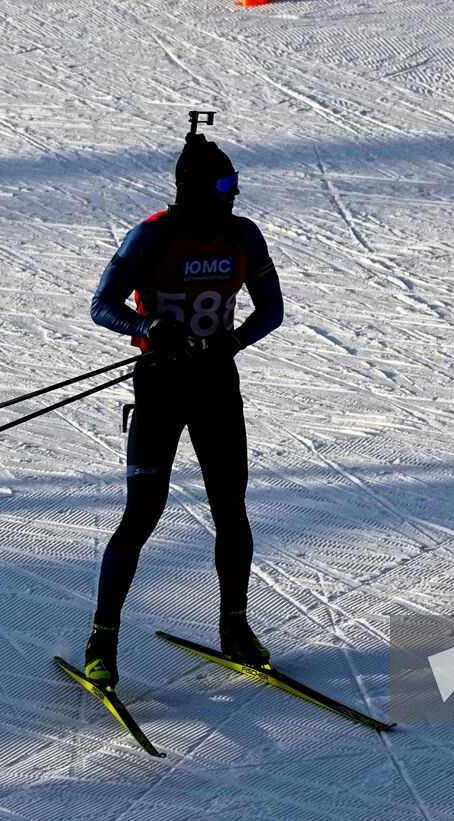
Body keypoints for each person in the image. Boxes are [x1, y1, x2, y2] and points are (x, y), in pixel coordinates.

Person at [82, 125, 284, 688]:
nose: (234, 193)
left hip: (216, 383)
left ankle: (235, 628)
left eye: (235, 181)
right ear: (194, 187)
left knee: (231, 509)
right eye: (225, 183)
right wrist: (149, 326)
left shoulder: (243, 236)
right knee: (143, 514)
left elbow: (272, 311)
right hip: (161, 384)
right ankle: (102, 639)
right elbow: (102, 305)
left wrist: (233, 341)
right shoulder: (151, 236)